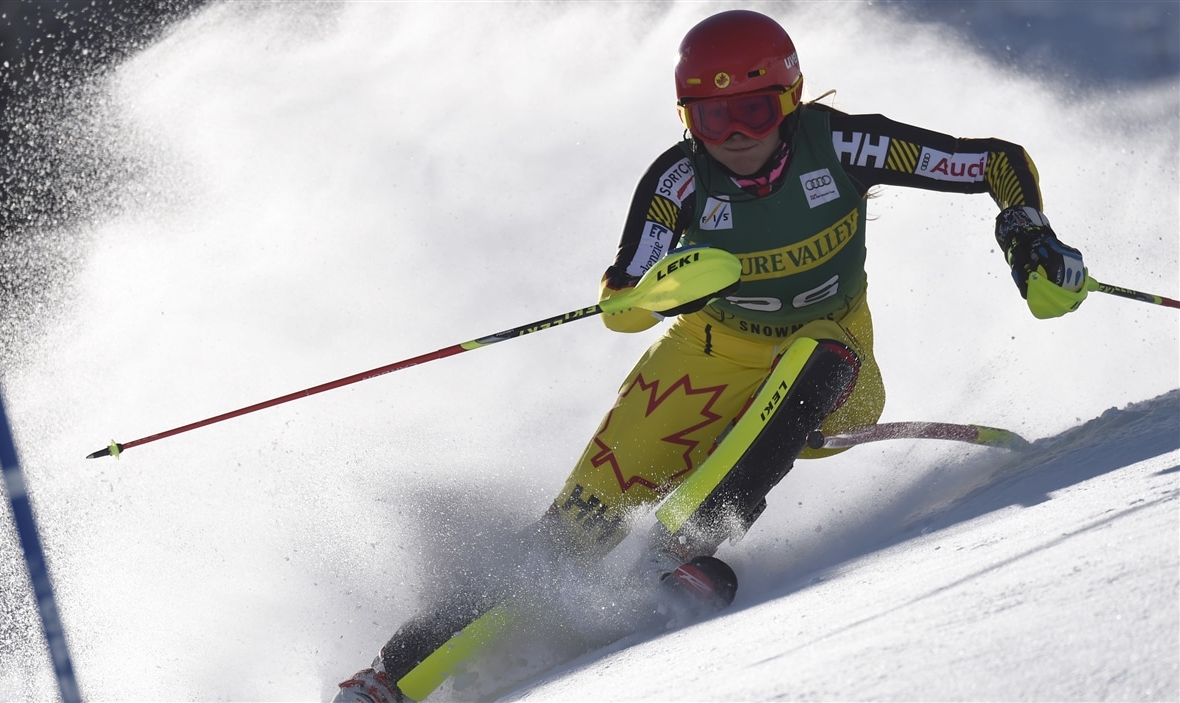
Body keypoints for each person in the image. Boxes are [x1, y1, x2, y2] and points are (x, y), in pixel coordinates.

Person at [334, 9, 1089, 702]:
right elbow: (624, 298)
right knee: (577, 525)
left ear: (789, 101)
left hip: (834, 362)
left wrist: (1028, 234)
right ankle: (389, 677)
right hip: (704, 360)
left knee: (820, 349)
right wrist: (657, 292)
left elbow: (993, 161)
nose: (733, 134)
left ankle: (682, 544)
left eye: (752, 110)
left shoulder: (845, 145)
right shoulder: (680, 179)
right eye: (710, 115)